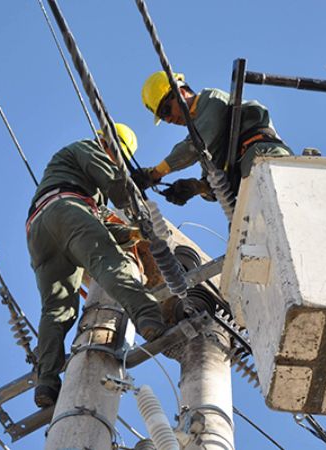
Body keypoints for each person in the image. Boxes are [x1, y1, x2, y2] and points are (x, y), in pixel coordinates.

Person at [25, 123, 167, 408]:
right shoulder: (87, 147)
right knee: (111, 265)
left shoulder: (83, 187)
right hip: (66, 210)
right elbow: (115, 184)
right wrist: (137, 207)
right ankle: (150, 318)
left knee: (58, 309)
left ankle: (47, 382)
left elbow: (103, 226)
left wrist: (135, 234)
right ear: (111, 147)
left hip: (39, 230)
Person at [135, 71, 293, 205]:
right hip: (247, 179)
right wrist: (196, 187)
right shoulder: (202, 136)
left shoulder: (211, 100)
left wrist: (154, 174)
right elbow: (216, 183)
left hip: (262, 156)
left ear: (181, 93)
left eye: (166, 110)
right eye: (163, 117)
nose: (168, 119)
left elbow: (192, 147)